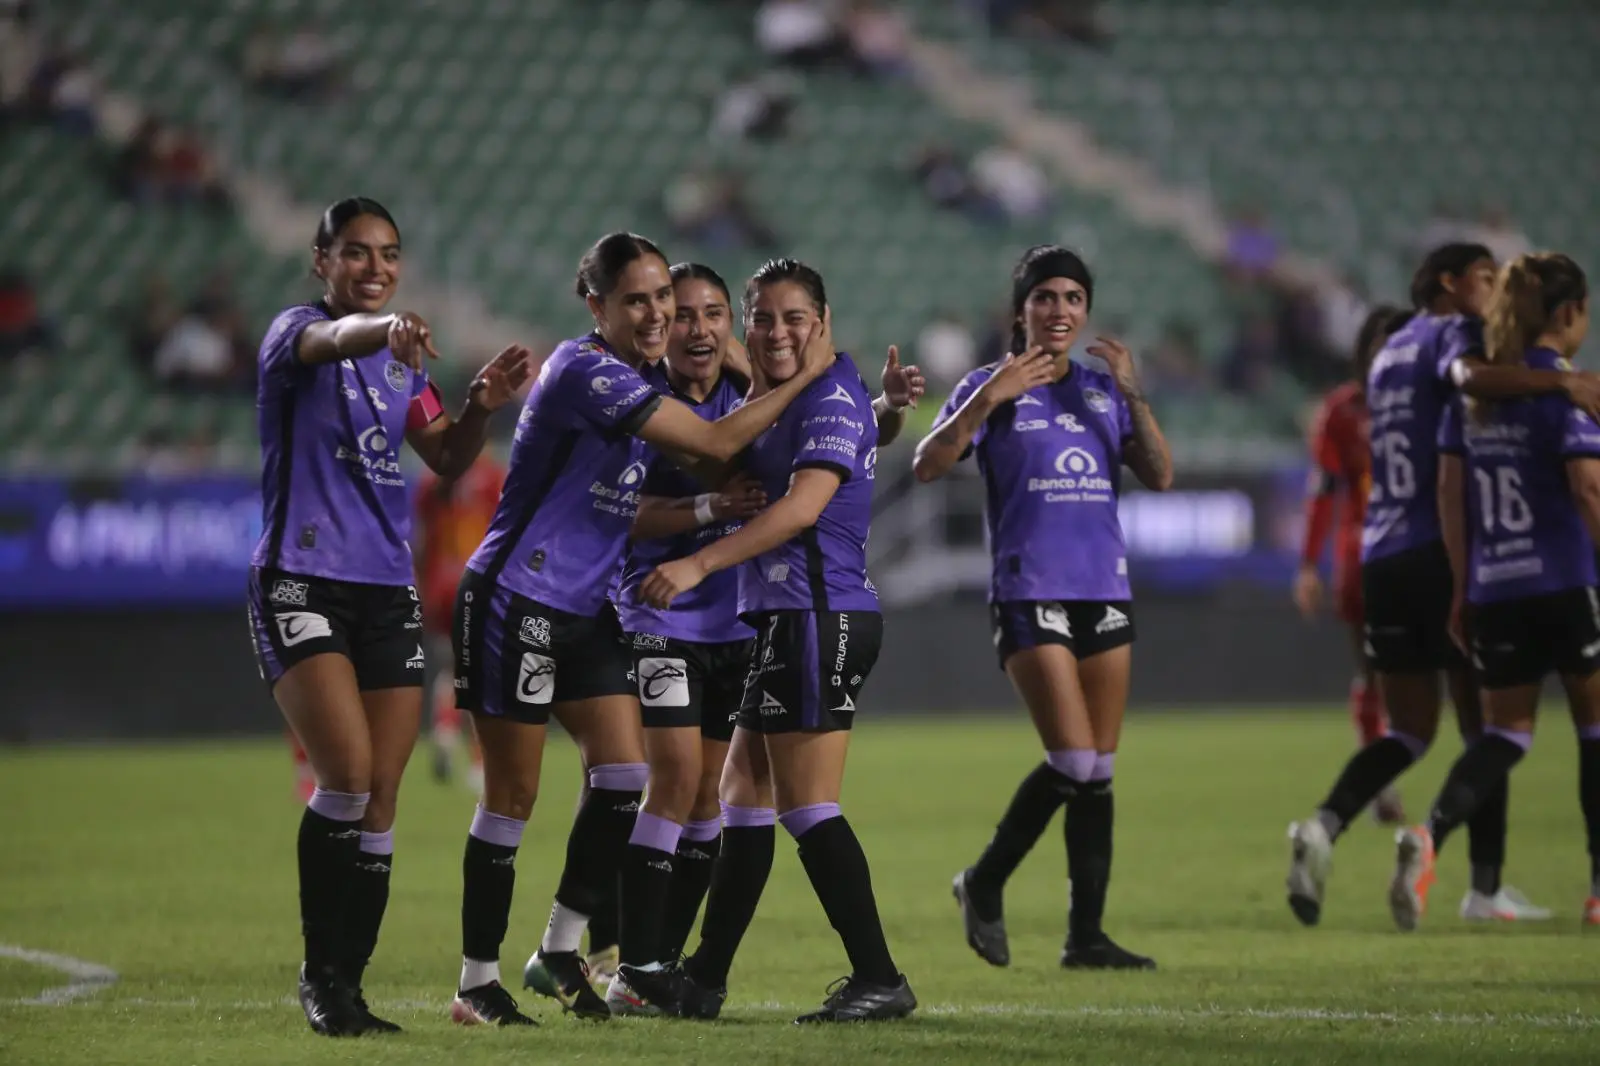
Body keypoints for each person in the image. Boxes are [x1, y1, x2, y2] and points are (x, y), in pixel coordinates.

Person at [447, 233, 837, 1026]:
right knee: (512, 796)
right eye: (639, 299)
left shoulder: (649, 374)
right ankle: (475, 983)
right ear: (595, 306)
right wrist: (821, 375)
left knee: (624, 776)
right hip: (516, 596)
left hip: (584, 610)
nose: (660, 313)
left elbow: (722, 380)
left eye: (664, 297)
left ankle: (558, 949)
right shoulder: (586, 369)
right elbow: (721, 441)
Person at [246, 196, 532, 1037]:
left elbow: (444, 454)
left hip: (384, 592)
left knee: (381, 798)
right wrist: (386, 328)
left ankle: (350, 986)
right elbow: (329, 340)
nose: (375, 267)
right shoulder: (295, 334)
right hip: (299, 581)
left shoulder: (403, 363)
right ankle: (320, 978)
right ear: (321, 260)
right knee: (345, 774)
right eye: (357, 253)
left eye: (389, 254)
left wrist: (480, 404)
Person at [607, 263, 925, 1015]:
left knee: (807, 806)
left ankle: (880, 977)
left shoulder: (828, 394)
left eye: (792, 318)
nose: (775, 331)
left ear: (822, 322)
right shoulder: (792, 395)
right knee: (741, 796)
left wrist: (697, 562)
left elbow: (802, 509)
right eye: (762, 318)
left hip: (820, 614)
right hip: (790, 617)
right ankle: (705, 979)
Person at [1282, 243, 1600, 927]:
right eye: (1485, 278)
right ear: (1450, 285)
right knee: (1489, 724)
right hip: (1438, 550)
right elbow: (1471, 378)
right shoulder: (1452, 337)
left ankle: (1322, 826)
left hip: (1380, 553)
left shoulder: (1391, 349)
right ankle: (1483, 888)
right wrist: (1563, 384)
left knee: (1411, 730)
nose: (1492, 292)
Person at [913, 245, 1173, 971]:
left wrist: (1134, 391)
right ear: (1019, 310)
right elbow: (927, 464)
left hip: (1104, 588)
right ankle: (984, 881)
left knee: (1098, 769)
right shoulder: (986, 386)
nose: (1060, 310)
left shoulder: (1101, 390)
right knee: (1072, 756)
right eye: (1045, 298)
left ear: (1086, 309)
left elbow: (1159, 474)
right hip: (1030, 589)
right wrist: (988, 398)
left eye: (1072, 298)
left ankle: (1085, 936)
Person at [1390, 253, 1600, 930]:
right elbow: (1588, 487)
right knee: (1595, 729)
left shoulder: (1475, 399)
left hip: (1493, 586)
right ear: (1570, 314)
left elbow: (1450, 494)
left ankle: (1428, 835)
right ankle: (1599, 891)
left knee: (1506, 733)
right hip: (1567, 580)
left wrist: (1462, 585)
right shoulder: (1565, 391)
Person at [1294, 305, 1411, 826]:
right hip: (1362, 558)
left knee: (1415, 679)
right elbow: (1323, 493)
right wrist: (1307, 566)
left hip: (1425, 554)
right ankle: (1381, 783)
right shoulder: (1343, 412)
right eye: (1380, 344)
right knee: (1372, 671)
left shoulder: (1430, 404)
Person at [414, 451, 508, 791]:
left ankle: (445, 727)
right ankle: (479, 763)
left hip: (440, 582)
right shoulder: (492, 476)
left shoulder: (430, 482)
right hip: (476, 580)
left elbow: (423, 542)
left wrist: (422, 589)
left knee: (452, 669)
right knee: (483, 673)